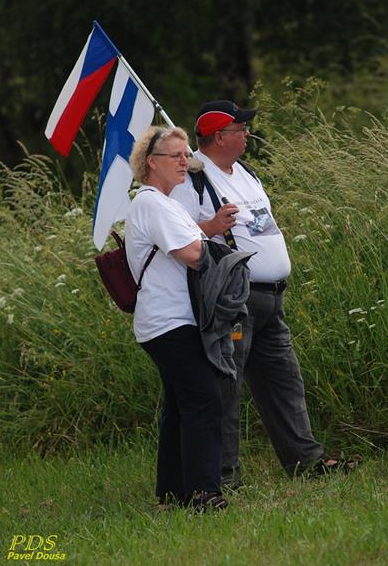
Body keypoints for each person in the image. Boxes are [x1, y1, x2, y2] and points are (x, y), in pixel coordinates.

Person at [171, 101, 353, 486]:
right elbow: (177, 237)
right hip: (234, 297)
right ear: (219, 136)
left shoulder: (246, 172)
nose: (247, 134)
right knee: (227, 387)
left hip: (272, 296)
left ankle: (306, 461)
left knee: (284, 381)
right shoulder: (193, 180)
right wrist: (211, 226)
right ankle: (223, 477)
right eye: (240, 128)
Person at [125, 124, 228, 512]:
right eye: (177, 156)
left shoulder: (166, 204)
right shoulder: (150, 202)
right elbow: (192, 255)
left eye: (187, 154)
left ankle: (171, 495)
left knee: (180, 406)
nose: (186, 161)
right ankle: (204, 493)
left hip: (170, 320)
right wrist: (230, 260)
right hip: (169, 321)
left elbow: (193, 240)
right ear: (152, 163)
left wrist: (208, 231)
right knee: (204, 400)